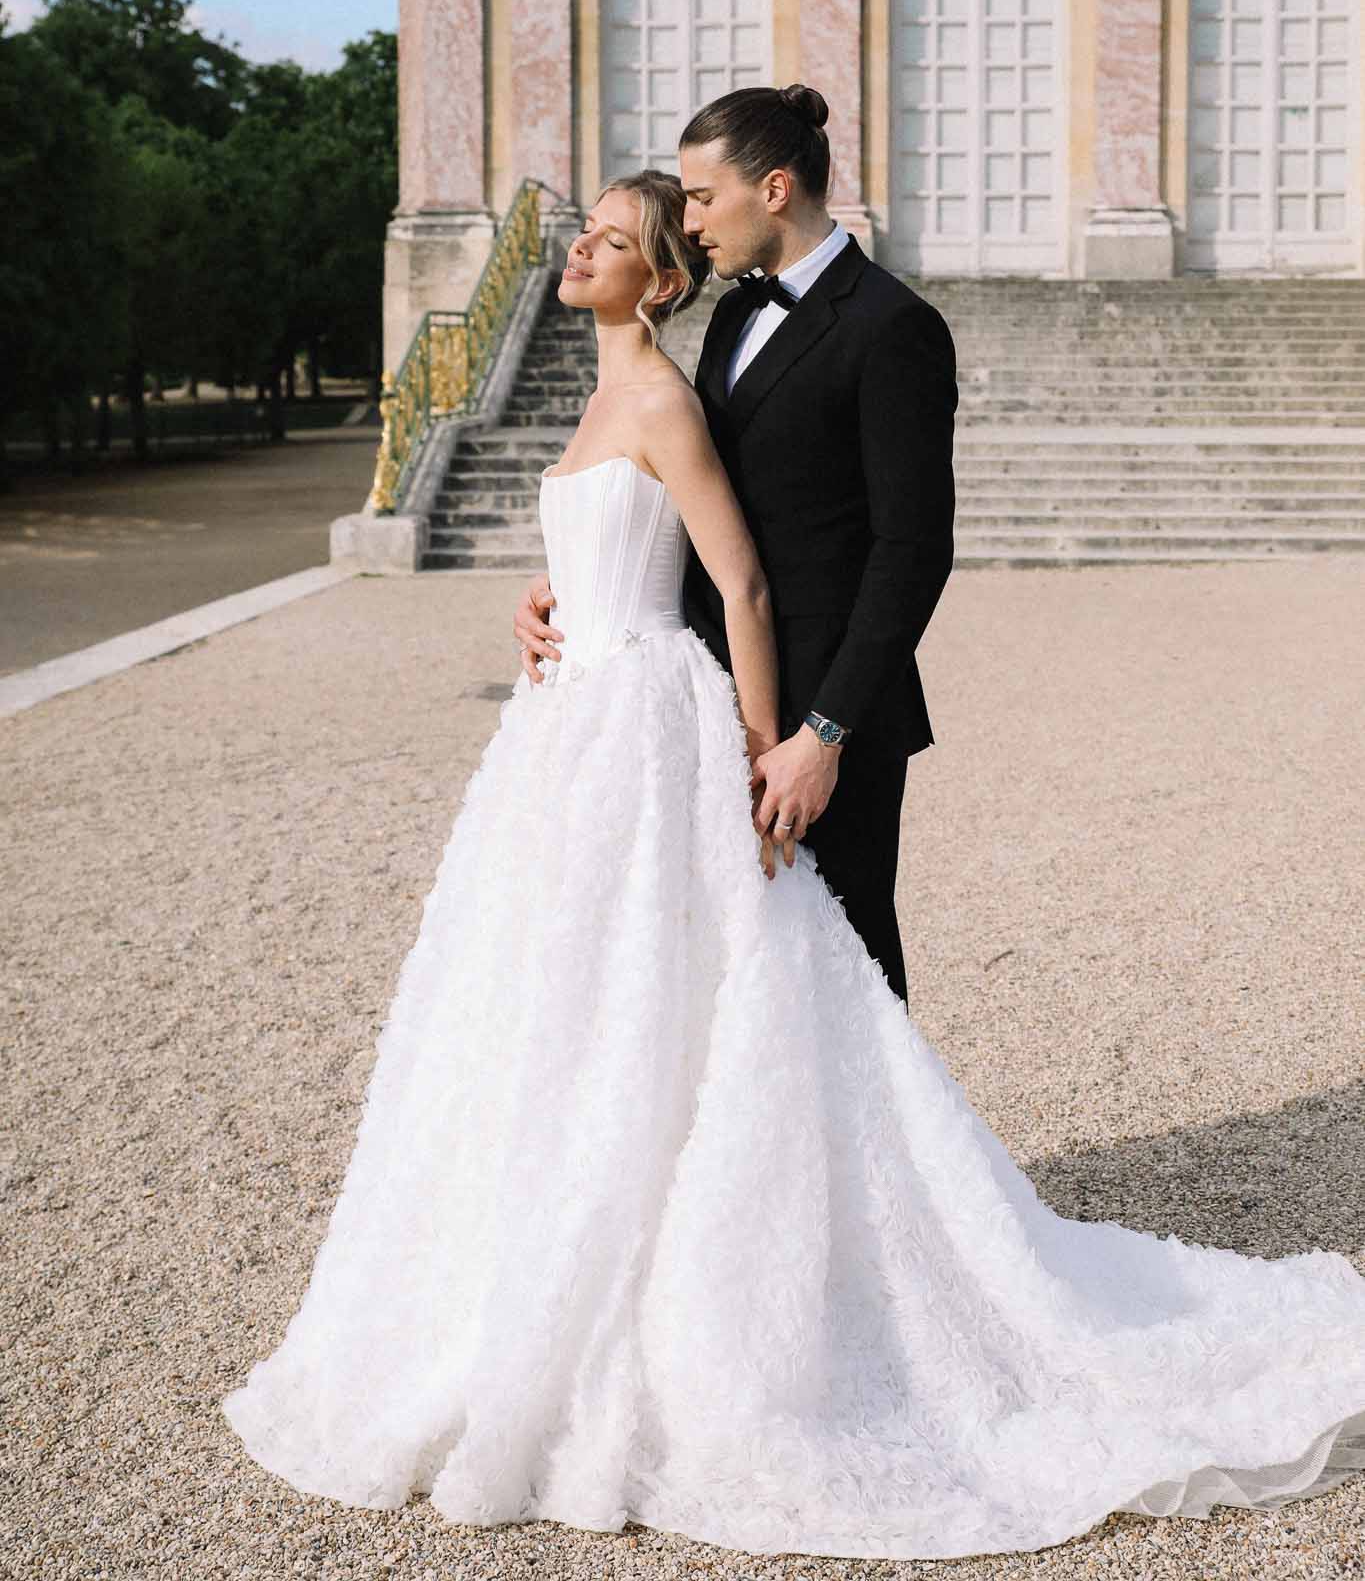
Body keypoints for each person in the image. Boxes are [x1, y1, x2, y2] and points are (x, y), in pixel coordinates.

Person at [222, 163, 1365, 1561]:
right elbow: (652, 548)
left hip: (665, 721)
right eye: (604, 226)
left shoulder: (695, 381)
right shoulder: (646, 374)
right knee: (564, 990)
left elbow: (753, 575)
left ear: (668, 270)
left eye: (629, 231)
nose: (593, 242)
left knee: (721, 989)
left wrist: (773, 745)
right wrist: (554, 597)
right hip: (571, 723)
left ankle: (825, 1274)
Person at [515, 85, 958, 1003]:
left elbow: (911, 549)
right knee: (727, 974)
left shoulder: (892, 326)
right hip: (700, 700)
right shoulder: (727, 315)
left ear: (774, 188)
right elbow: (689, 496)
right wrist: (578, 579)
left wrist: (821, 734)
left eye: (702, 197)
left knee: (845, 969)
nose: (690, 218)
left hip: (828, 713)